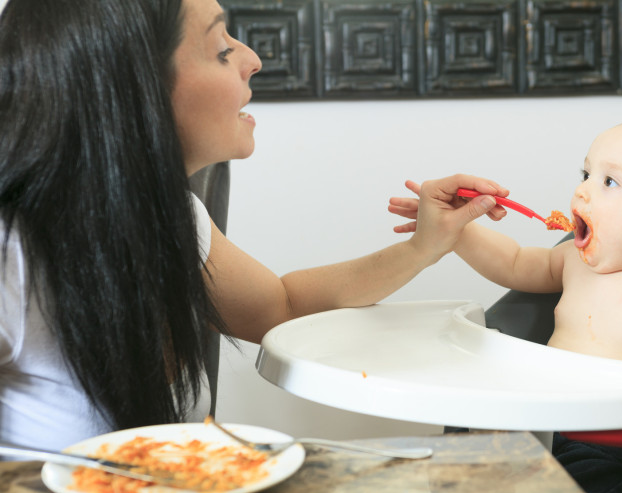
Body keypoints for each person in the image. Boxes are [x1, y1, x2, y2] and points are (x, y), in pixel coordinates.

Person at [0, 0, 509, 452]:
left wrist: (425, 246)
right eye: (221, 50)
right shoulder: (12, 252)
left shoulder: (173, 215)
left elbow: (281, 308)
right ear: (132, 86)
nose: (252, 59)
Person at [389, 85, 622, 493]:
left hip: (609, 440)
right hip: (533, 414)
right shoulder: (575, 259)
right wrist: (456, 231)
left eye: (609, 181)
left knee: (595, 486)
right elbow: (513, 262)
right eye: (585, 175)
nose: (582, 192)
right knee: (471, 421)